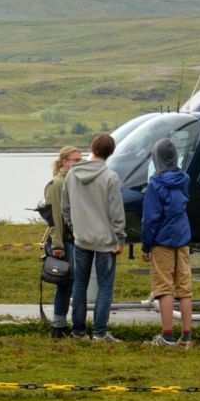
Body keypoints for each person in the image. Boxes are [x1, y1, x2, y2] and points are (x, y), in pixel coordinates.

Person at [62, 133, 126, 342]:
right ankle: (99, 333)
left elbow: (65, 207)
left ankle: (78, 331)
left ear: (92, 148)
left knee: (79, 285)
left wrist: (75, 228)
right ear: (111, 153)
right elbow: (116, 212)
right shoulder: (110, 177)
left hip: (81, 240)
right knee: (105, 287)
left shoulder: (72, 175)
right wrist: (120, 238)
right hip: (106, 242)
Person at [141, 138, 194, 349]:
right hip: (183, 239)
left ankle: (167, 336)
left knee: (163, 288)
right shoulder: (185, 179)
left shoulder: (155, 184)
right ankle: (187, 337)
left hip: (162, 241)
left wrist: (146, 246)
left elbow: (151, 218)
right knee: (185, 289)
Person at [43, 145, 83, 338]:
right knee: (64, 283)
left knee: (71, 282)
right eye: (75, 160)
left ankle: (65, 324)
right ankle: (58, 326)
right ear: (64, 162)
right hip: (64, 241)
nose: (78, 163)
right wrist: (57, 245)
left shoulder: (72, 182)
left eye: (80, 160)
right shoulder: (56, 184)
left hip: (73, 240)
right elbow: (55, 218)